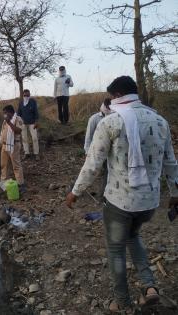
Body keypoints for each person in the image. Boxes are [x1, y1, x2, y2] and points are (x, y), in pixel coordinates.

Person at [66, 76, 178, 314]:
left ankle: (122, 301)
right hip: (149, 203)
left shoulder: (110, 123)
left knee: (116, 249)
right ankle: (149, 287)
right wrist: (175, 192)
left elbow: (93, 164)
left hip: (119, 203)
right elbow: (171, 162)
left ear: (117, 96)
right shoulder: (160, 121)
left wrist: (75, 192)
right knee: (133, 236)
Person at [0, 105, 25, 191]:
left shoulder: (18, 119)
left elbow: (19, 131)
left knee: (16, 165)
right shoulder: (4, 121)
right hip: (4, 145)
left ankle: (20, 184)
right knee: (4, 165)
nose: (4, 115)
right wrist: (0, 143)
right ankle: (3, 184)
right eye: (4, 114)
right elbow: (2, 132)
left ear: (11, 112)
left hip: (14, 145)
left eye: (5, 113)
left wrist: (9, 122)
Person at [17, 89, 39, 160]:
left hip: (32, 123)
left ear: (29, 95)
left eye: (28, 95)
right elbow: (18, 114)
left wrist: (36, 121)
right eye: (25, 95)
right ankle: (26, 153)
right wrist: (19, 121)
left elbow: (36, 112)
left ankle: (36, 153)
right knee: (24, 139)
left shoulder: (33, 102)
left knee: (34, 138)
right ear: (23, 95)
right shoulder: (21, 103)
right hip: (23, 124)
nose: (26, 96)